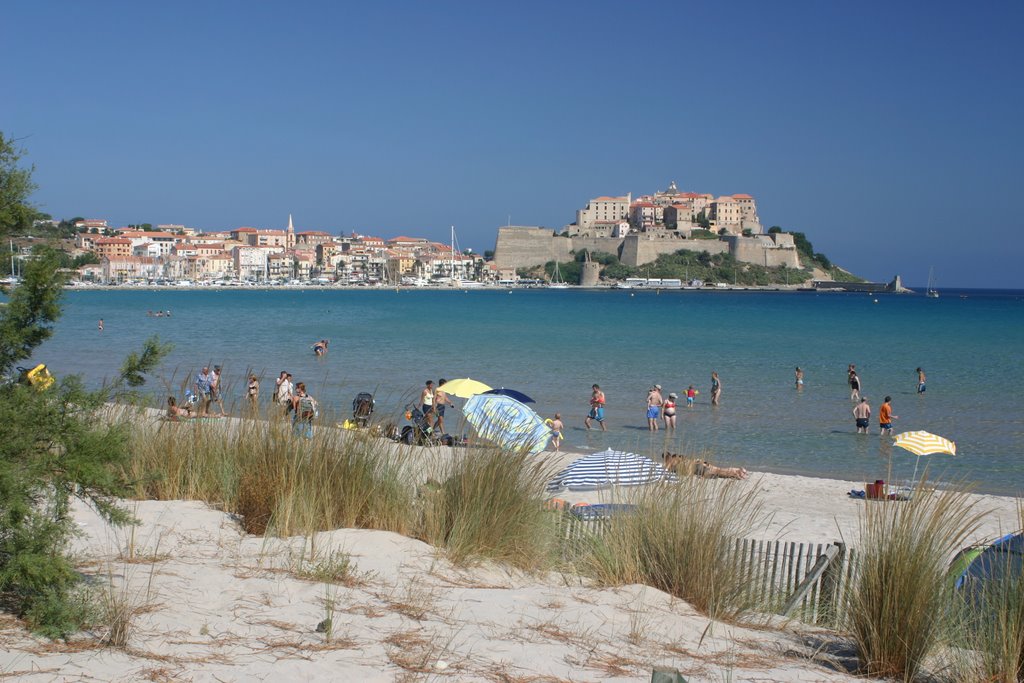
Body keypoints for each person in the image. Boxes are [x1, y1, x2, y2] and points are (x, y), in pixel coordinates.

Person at [663, 453, 748, 480]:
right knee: (719, 470)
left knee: (719, 471)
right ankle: (738, 471)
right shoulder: (679, 458)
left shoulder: (673, 460)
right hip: (699, 463)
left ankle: (737, 473)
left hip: (699, 466)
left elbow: (667, 468)